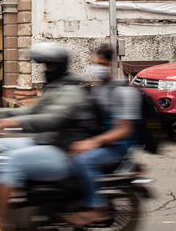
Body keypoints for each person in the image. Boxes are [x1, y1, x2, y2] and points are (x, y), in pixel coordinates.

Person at [0, 43, 101, 231]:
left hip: (63, 151)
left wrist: (14, 123)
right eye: (45, 66)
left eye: (49, 66)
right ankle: (10, 198)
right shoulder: (56, 87)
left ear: (60, 66)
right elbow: (34, 111)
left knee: (12, 162)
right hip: (47, 141)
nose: (46, 70)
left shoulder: (71, 91)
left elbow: (52, 119)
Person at [64, 44, 142, 226]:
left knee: (83, 161)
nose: (96, 68)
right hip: (102, 142)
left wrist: (92, 143)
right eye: (93, 63)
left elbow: (124, 129)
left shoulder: (124, 92)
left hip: (117, 148)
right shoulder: (98, 89)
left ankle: (98, 209)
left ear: (110, 64)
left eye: (101, 64)